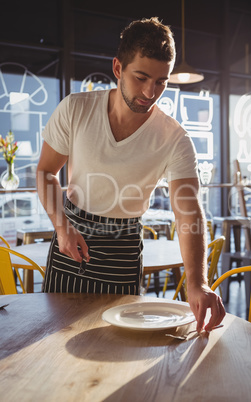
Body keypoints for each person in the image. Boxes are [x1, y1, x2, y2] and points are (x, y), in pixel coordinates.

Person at [36, 17, 225, 332]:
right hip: (70, 238)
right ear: (117, 68)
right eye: (141, 77)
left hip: (123, 247)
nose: (151, 92)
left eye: (162, 81)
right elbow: (45, 172)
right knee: (54, 340)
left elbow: (188, 210)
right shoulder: (75, 109)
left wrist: (198, 283)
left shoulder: (174, 138)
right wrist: (62, 227)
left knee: (117, 347)